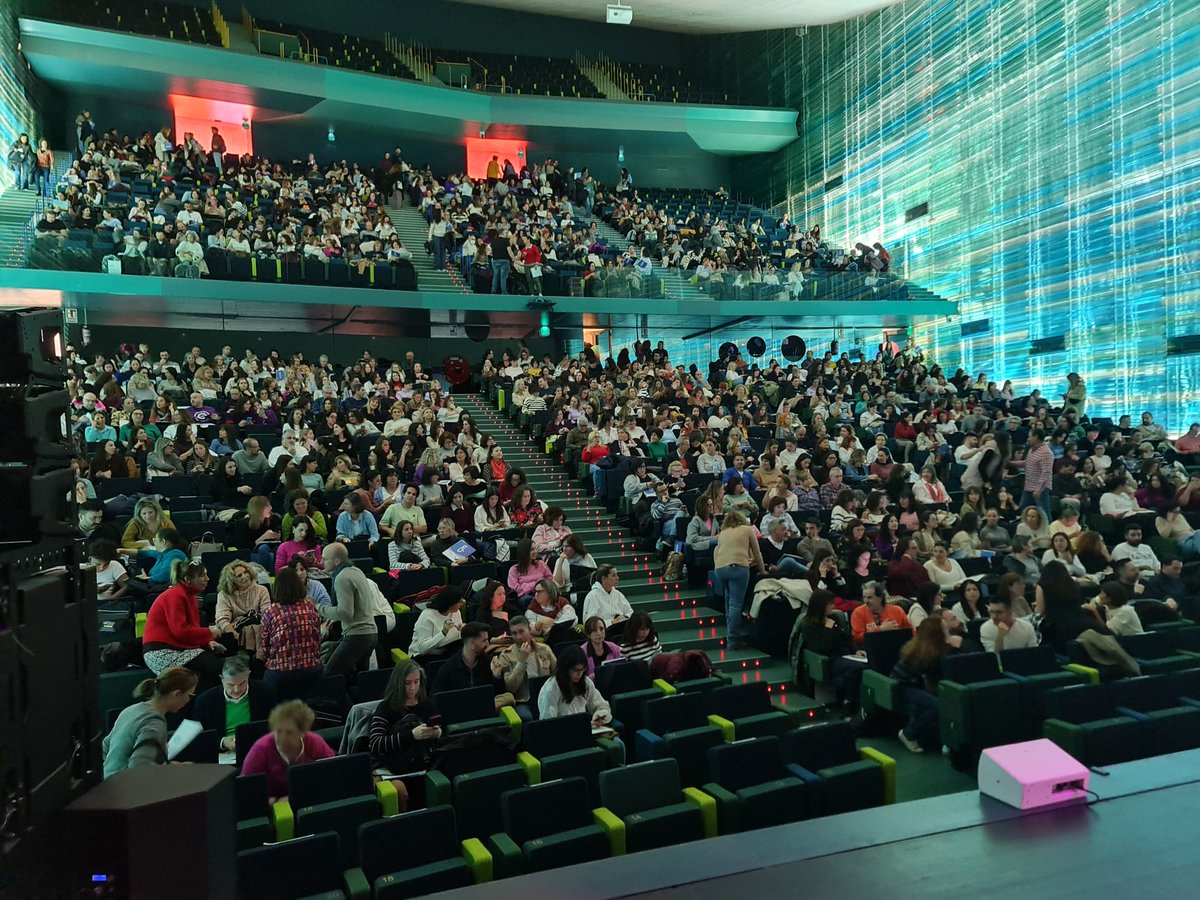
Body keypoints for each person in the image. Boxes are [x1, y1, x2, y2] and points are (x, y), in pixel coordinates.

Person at [367, 660, 442, 805]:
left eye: (416, 682)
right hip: (393, 765)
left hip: (423, 762)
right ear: (399, 683)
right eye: (408, 683)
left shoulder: (427, 705)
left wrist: (436, 734)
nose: (413, 688)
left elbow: (437, 738)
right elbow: (376, 744)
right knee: (400, 791)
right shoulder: (386, 707)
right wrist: (411, 735)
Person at [140, 558, 226, 684]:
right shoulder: (176, 595)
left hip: (176, 647)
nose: (207, 579)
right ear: (187, 579)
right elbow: (180, 631)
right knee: (216, 668)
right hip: (161, 652)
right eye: (202, 575)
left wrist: (208, 641)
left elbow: (191, 630)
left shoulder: (188, 596)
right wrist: (209, 632)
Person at [102, 667, 198, 778]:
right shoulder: (154, 722)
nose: (188, 701)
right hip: (126, 788)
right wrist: (173, 769)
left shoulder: (131, 710)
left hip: (109, 782)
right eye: (190, 695)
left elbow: (105, 747)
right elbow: (140, 769)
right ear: (176, 694)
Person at [241, 700, 336, 802]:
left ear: (303, 732)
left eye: (289, 732)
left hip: (311, 802)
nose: (282, 738)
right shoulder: (261, 749)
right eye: (278, 731)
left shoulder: (315, 743)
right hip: (273, 810)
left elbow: (333, 775)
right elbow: (245, 790)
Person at [258, 566, 324, 699]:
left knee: (262, 695)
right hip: (312, 669)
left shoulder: (271, 612)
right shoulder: (311, 608)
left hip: (280, 672)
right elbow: (318, 638)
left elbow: (265, 648)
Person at [318, 542, 380, 675]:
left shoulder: (342, 578)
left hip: (357, 635)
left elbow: (345, 613)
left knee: (329, 674)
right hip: (371, 633)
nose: (321, 561)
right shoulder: (356, 571)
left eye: (324, 558)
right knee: (356, 678)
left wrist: (317, 607)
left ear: (336, 561)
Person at [194, 657, 276, 754]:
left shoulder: (266, 692)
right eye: (231, 685)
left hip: (259, 748)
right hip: (222, 753)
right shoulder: (205, 701)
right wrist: (222, 742)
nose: (237, 690)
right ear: (222, 679)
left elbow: (277, 725)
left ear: (248, 675)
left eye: (242, 683)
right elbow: (198, 737)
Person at [800, 589, 865, 712]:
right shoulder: (808, 625)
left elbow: (846, 638)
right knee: (858, 669)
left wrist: (855, 650)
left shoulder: (834, 617)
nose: (833, 607)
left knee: (863, 667)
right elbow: (821, 649)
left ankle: (849, 701)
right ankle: (848, 701)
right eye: (830, 604)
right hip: (832, 659)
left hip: (846, 655)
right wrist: (827, 629)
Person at [892, 616, 949, 753]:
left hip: (912, 684)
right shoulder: (930, 652)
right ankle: (908, 733)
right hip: (904, 688)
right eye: (944, 628)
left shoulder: (921, 645)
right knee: (938, 706)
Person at [712, 511, 765, 651]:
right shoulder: (747, 529)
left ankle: (730, 635)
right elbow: (757, 553)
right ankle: (733, 641)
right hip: (738, 568)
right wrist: (763, 571)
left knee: (729, 602)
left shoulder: (723, 533)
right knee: (736, 605)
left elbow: (716, 552)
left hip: (720, 569)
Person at [491, 617, 557, 722]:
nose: (519, 637)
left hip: (546, 695)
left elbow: (557, 673)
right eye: (514, 633)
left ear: (529, 630)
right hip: (523, 700)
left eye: (521, 632)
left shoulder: (544, 649)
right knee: (526, 717)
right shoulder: (506, 656)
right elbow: (510, 688)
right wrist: (522, 661)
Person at [537, 645, 613, 731]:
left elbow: (601, 705)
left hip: (587, 730)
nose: (579, 674)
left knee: (618, 742)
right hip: (564, 735)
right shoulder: (552, 688)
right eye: (575, 670)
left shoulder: (586, 682)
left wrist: (598, 717)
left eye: (582, 670)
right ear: (565, 668)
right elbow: (548, 724)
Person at [215, 559, 271, 654]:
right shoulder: (223, 595)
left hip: (257, 631)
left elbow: (266, 616)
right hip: (234, 633)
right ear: (232, 580)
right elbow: (222, 621)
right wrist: (239, 637)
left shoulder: (262, 590)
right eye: (239, 575)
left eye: (246, 572)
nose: (245, 577)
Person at [431, 622, 503, 696]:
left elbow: (499, 693)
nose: (488, 644)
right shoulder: (449, 668)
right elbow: (436, 697)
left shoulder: (489, 663)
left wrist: (497, 677)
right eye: (484, 640)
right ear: (472, 644)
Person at [409, 585, 465, 660]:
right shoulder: (427, 616)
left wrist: (463, 631)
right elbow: (422, 649)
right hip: (424, 657)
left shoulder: (456, 612)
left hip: (447, 653)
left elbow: (456, 637)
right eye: (459, 601)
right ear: (450, 603)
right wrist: (443, 633)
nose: (462, 603)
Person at [849, 581, 911, 648]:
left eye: (869, 597)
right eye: (864, 597)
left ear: (880, 598)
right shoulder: (858, 613)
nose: (866, 601)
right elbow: (857, 638)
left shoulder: (897, 611)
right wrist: (880, 630)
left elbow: (910, 633)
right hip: (870, 650)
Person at [525, 579, 579, 643]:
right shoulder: (532, 607)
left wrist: (553, 625)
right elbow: (530, 627)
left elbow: (572, 617)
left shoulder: (562, 602)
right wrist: (539, 623)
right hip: (548, 640)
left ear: (549, 592)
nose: (536, 594)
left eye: (539, 592)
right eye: (535, 592)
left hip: (565, 636)